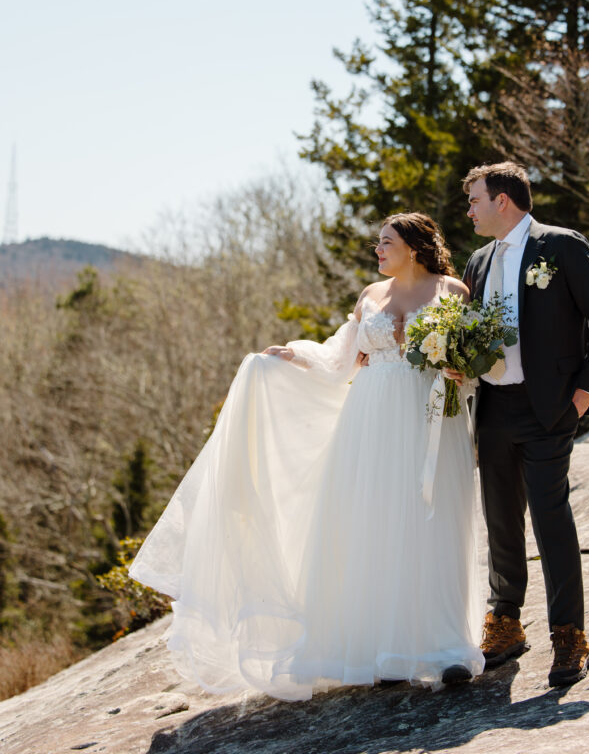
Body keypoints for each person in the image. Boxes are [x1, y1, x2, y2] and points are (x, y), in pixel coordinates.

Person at [130, 212, 485, 700]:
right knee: (373, 528)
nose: (377, 250)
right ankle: (383, 650)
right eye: (377, 242)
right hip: (370, 422)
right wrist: (293, 358)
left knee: (434, 523)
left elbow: (471, 364)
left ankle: (445, 650)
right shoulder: (370, 296)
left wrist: (457, 373)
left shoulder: (452, 292)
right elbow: (340, 361)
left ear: (415, 247)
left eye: (386, 242)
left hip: (430, 422)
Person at [453, 162, 589, 687]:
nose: (471, 209)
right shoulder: (477, 261)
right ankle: (505, 622)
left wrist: (583, 395)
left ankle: (569, 635)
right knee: (501, 520)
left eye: (476, 200)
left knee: (551, 521)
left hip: (549, 409)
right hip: (495, 411)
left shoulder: (562, 245)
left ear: (503, 200)